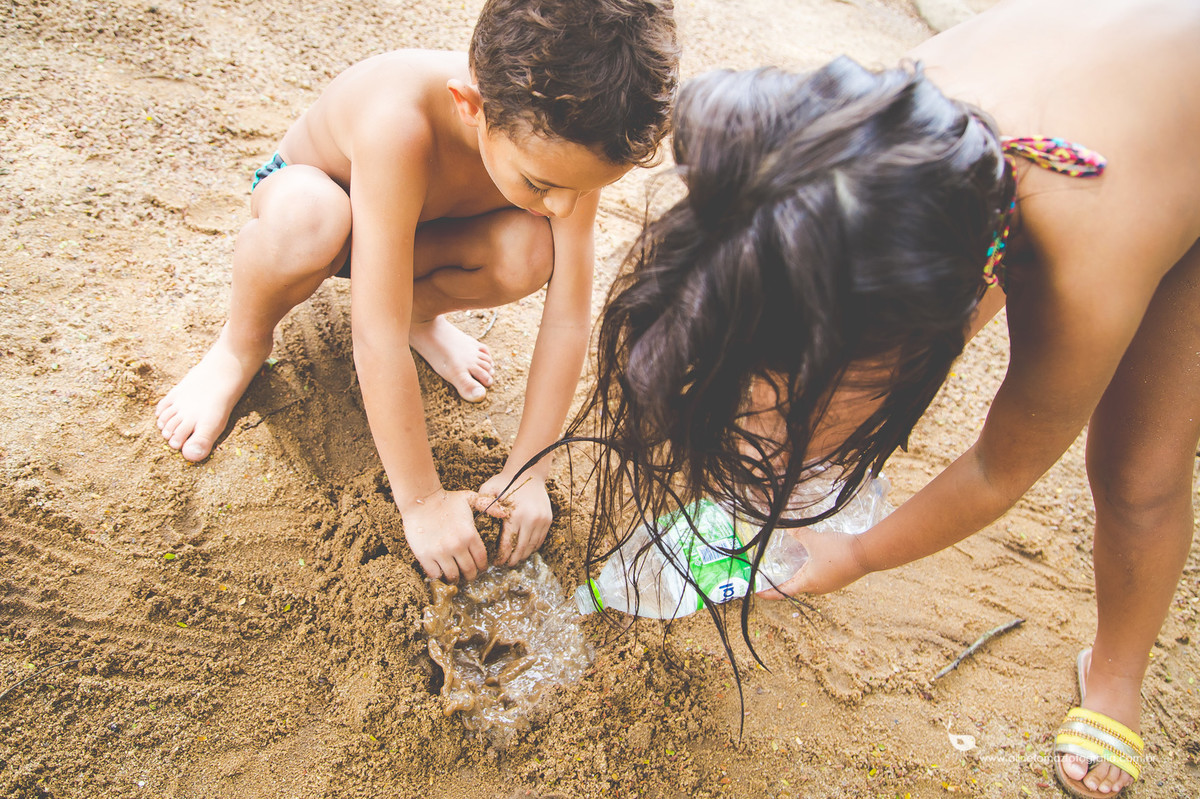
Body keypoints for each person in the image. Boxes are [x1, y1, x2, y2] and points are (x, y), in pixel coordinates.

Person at [576, 1, 1199, 796]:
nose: (768, 443)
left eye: (785, 430)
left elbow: (999, 470)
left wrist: (860, 552)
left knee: (1137, 471)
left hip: (1160, 161)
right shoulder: (866, 145)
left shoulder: (1084, 273)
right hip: (1079, 108)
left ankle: (1117, 669)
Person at [154, 0, 678, 583]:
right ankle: (240, 344)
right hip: (331, 220)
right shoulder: (398, 122)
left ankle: (419, 317)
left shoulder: (571, 137)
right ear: (471, 107)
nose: (564, 206)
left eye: (580, 191)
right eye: (542, 184)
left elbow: (568, 316)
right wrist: (422, 502)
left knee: (531, 249)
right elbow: (372, 334)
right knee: (309, 220)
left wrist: (531, 469)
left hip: (416, 237)